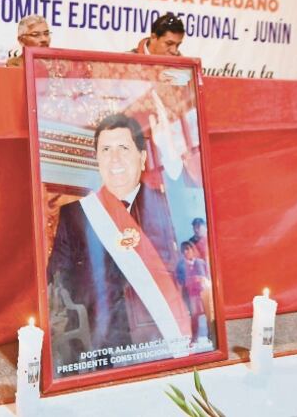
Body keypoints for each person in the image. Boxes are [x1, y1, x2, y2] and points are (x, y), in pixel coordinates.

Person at [47, 112, 193, 374]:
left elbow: (194, 229)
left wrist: (173, 162)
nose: (114, 158)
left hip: (165, 348)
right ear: (97, 159)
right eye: (106, 149)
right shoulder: (75, 216)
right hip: (100, 353)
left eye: (123, 148)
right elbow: (56, 284)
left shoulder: (167, 205)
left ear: (143, 156)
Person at [176, 241, 210, 341]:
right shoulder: (180, 266)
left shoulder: (200, 262)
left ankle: (211, 335)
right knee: (194, 316)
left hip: (203, 292)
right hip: (191, 295)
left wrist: (201, 280)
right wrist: (190, 280)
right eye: (184, 250)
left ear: (192, 250)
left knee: (208, 314)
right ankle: (194, 338)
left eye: (188, 249)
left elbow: (206, 276)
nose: (186, 252)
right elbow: (180, 280)